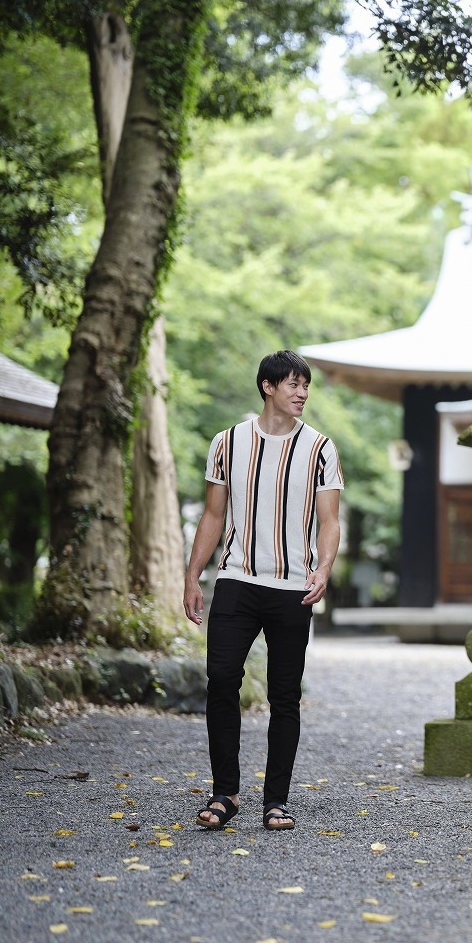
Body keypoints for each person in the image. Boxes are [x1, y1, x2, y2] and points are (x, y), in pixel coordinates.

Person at [183, 350, 343, 832]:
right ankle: (225, 793)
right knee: (221, 682)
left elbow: (329, 520)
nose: (302, 393)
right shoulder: (227, 441)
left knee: (285, 696)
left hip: (293, 587)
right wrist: (193, 575)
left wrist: (325, 566)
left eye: (306, 385)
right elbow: (213, 515)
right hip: (235, 580)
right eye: (293, 384)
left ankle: (277, 800)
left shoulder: (320, 448)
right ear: (268, 386)